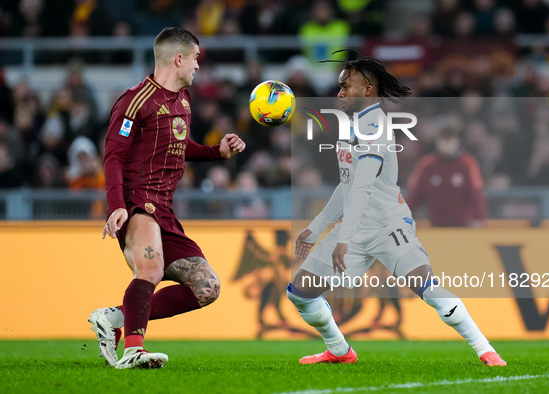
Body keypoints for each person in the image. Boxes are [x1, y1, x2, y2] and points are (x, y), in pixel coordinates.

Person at [289, 49, 506, 366]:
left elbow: (363, 185)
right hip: (354, 228)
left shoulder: (375, 126)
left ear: (367, 90)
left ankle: (486, 349)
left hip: (388, 226)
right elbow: (347, 185)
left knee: (426, 286)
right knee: (299, 292)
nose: (339, 93)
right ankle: (339, 350)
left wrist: (343, 238)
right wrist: (317, 228)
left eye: (345, 87)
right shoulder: (350, 127)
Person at [88, 27, 246, 369]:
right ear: (178, 59)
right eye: (196, 59)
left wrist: (215, 152)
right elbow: (114, 154)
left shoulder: (182, 100)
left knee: (207, 287)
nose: (198, 67)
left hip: (165, 210)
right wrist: (116, 204)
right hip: (137, 202)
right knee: (151, 268)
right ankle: (133, 350)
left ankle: (113, 318)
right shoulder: (135, 101)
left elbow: (178, 145)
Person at [405, 127, 487, 227]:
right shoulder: (426, 165)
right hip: (436, 227)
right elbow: (414, 193)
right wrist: (405, 217)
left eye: (450, 141)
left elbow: (476, 193)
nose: (446, 146)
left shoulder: (468, 164)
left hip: (464, 228)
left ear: (456, 142)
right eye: (443, 141)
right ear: (437, 142)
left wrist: (478, 217)